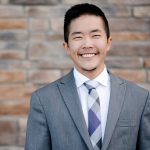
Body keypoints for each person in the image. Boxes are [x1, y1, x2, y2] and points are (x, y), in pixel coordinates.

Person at [25, 3, 150, 150]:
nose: (87, 44)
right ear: (66, 46)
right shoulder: (44, 100)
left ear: (108, 42)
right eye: (78, 37)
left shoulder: (140, 98)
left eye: (95, 35)